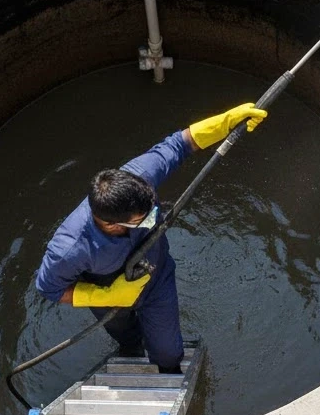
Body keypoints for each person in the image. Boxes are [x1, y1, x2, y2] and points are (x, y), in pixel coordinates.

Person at [35, 102, 267, 373]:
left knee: (169, 353)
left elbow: (179, 145)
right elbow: (48, 288)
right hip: (109, 296)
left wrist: (226, 122)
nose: (151, 218)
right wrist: (106, 294)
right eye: (140, 219)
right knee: (127, 338)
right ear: (111, 224)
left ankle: (168, 369)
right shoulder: (70, 247)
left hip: (156, 279)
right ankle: (131, 345)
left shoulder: (138, 177)